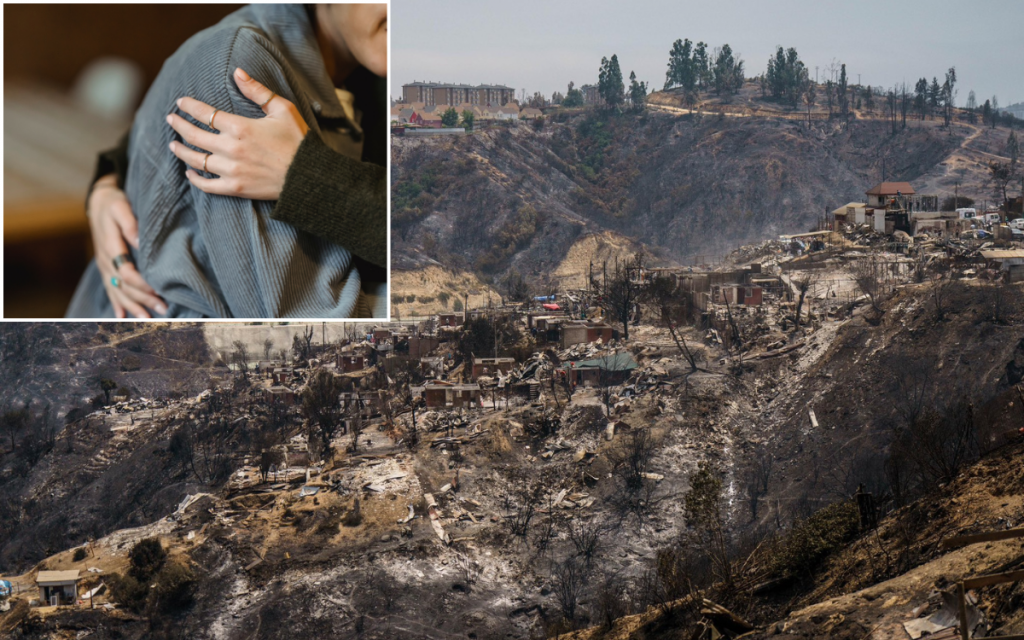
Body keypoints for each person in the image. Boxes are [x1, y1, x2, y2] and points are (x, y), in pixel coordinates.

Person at [67, 4, 387, 318]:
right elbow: (310, 325)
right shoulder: (239, 64)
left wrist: (310, 177)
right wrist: (109, 177)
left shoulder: (378, 69)